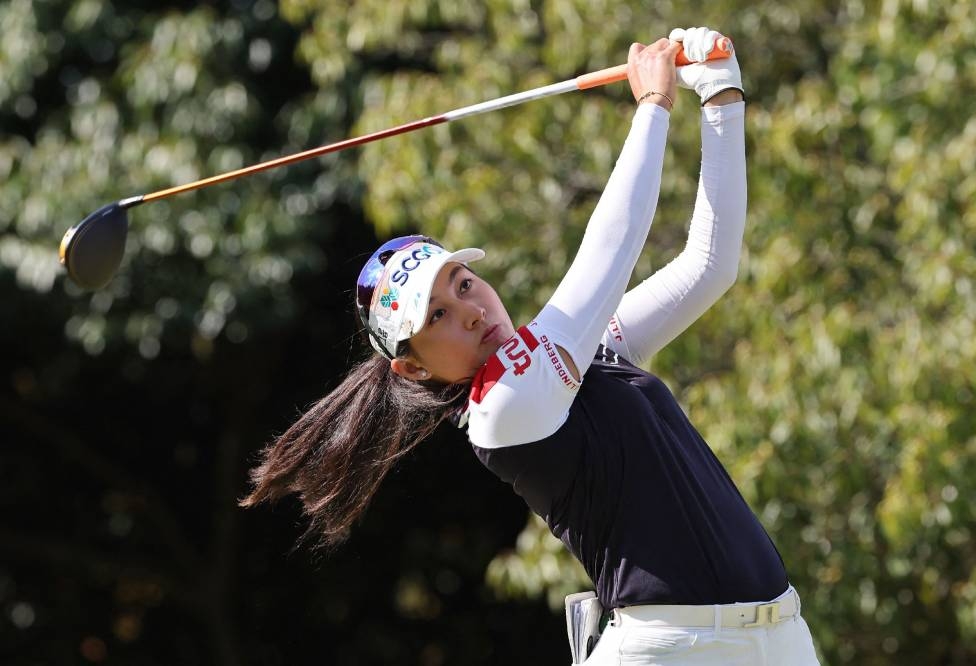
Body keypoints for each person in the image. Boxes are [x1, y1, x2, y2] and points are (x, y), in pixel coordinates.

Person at [241, 27, 821, 665]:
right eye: (437, 314)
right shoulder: (504, 405)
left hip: (780, 637)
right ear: (411, 368)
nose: (470, 309)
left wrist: (722, 96)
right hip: (673, 650)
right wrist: (653, 108)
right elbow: (610, 250)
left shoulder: (590, 350)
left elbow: (710, 265)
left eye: (464, 283)